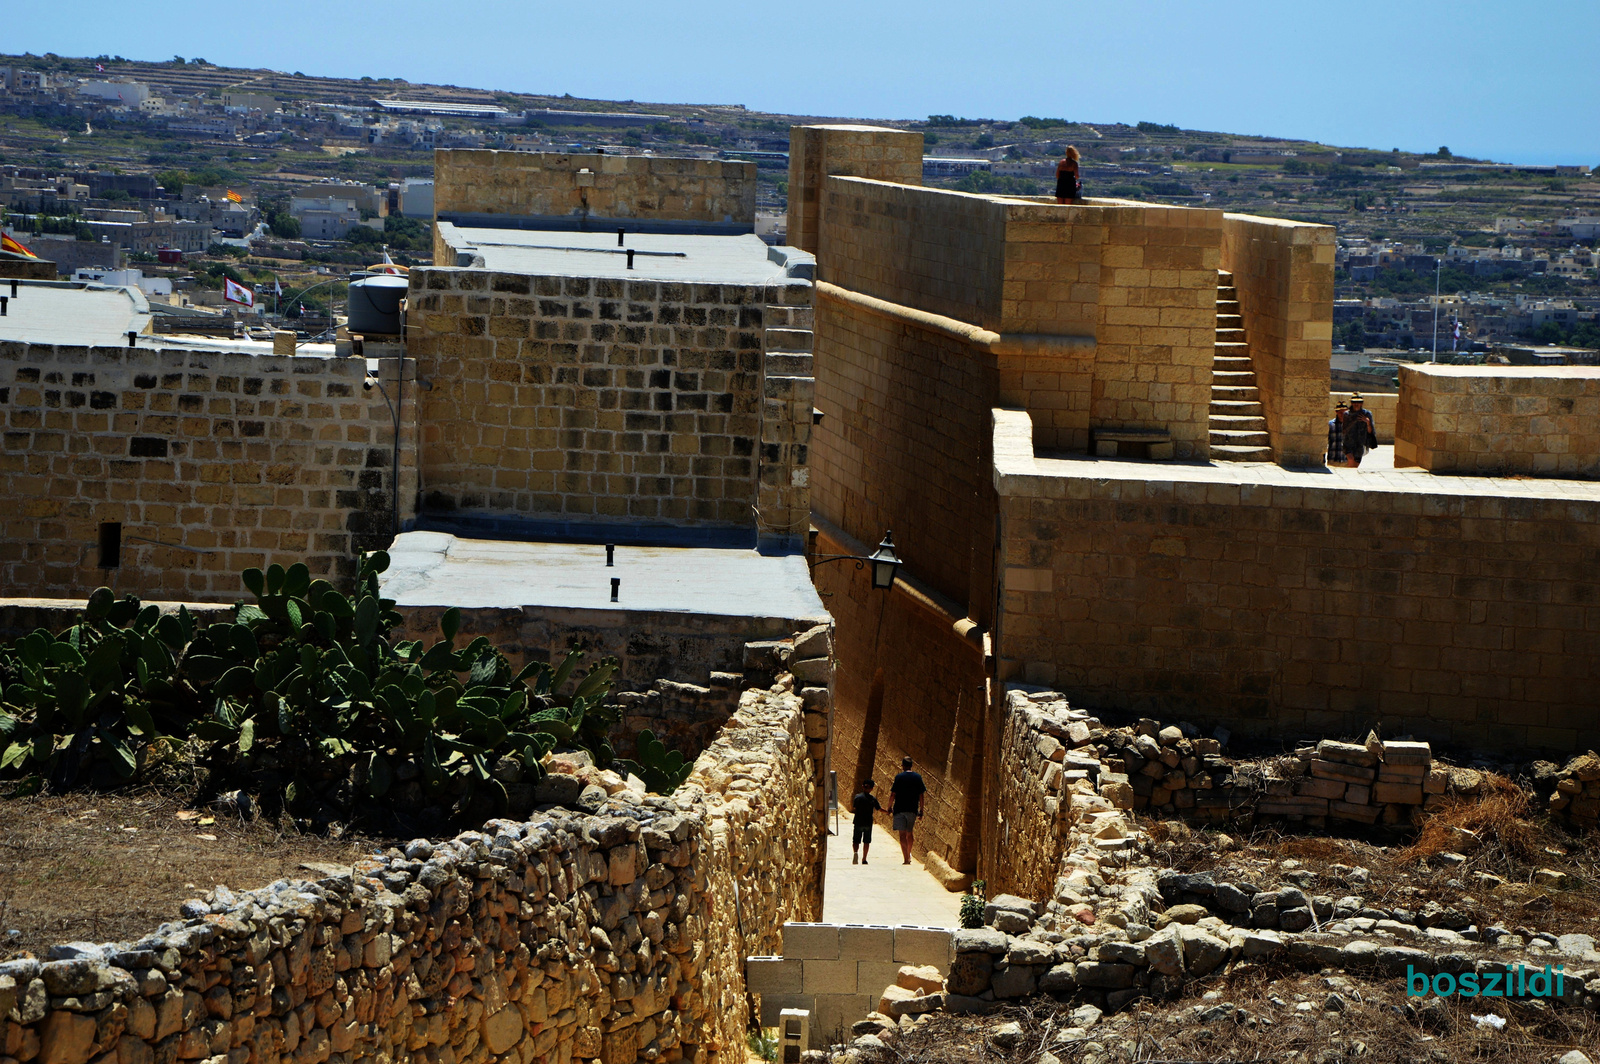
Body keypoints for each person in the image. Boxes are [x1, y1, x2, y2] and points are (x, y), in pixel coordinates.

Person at [889, 757, 926, 865]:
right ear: (911, 765)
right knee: (909, 833)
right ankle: (909, 853)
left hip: (899, 809)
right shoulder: (917, 777)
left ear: (903, 765)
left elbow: (893, 794)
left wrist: (889, 807)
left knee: (902, 835)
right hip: (912, 809)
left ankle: (906, 858)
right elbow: (921, 795)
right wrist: (921, 810)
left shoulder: (899, 777)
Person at [850, 779, 883, 865]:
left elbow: (854, 807)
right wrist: (887, 811)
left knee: (856, 840)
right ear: (872, 789)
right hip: (868, 822)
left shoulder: (857, 797)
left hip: (858, 821)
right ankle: (864, 858)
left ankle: (855, 853)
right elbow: (879, 809)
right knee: (866, 841)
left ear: (862, 787)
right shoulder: (872, 799)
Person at [1342, 393, 1378, 467]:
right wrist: (1354, 420)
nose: (1356, 404)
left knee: (1355, 466)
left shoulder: (1367, 414)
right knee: (1351, 460)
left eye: (1358, 402)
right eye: (1354, 402)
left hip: (1360, 444)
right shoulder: (1347, 414)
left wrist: (1367, 422)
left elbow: (1370, 432)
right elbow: (1344, 430)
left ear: (1361, 403)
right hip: (1348, 443)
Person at [1326, 401, 1347, 466]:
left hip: (1346, 459)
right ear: (1336, 412)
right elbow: (1325, 441)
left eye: (1344, 412)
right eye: (1340, 412)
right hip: (1333, 459)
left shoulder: (1350, 425)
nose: (1342, 414)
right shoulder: (1330, 424)